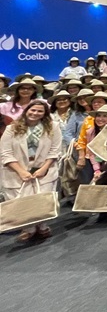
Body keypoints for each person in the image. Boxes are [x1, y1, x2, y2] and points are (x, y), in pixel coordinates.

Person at [0, 100, 62, 242]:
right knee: (23, 201)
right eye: (32, 110)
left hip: (44, 169)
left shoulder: (53, 127)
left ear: (45, 113)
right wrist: (20, 171)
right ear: (27, 110)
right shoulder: (12, 128)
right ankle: (28, 228)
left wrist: (44, 168)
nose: (35, 113)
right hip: (17, 170)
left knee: (42, 198)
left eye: (40, 111)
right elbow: (5, 153)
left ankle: (42, 226)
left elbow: (55, 151)